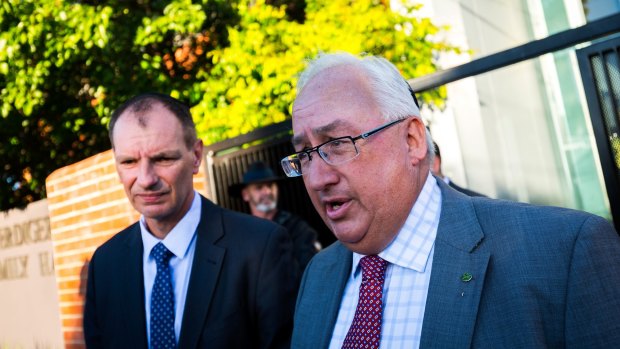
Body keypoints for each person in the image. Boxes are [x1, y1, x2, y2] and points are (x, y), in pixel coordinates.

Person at [282, 52, 620, 348]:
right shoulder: (318, 276)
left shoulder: (564, 252)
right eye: (305, 155)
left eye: (338, 143)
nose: (316, 178)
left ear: (412, 140)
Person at [83, 93, 298, 348]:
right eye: (129, 161)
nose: (146, 178)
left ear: (196, 156)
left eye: (163, 159)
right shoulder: (105, 264)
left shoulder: (260, 248)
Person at [229, 161, 320, 273]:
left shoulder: (297, 228)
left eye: (270, 185)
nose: (267, 192)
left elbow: (310, 270)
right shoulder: (239, 235)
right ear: (245, 195)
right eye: (259, 187)